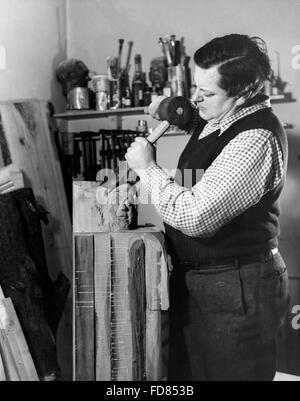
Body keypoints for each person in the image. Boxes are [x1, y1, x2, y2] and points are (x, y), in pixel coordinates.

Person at [125, 33, 290, 381]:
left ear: (243, 92)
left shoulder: (255, 138)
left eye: (208, 92)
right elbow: (206, 124)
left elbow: (195, 216)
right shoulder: (223, 117)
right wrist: (177, 109)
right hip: (202, 282)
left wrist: (147, 168)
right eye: (194, 86)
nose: (197, 97)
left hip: (237, 287)